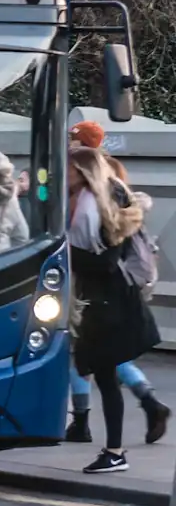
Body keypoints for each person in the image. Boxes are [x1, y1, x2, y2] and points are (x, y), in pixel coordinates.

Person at [63, 120, 170, 444]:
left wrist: (64, 253)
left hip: (104, 285)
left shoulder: (100, 184)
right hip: (106, 283)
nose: (69, 144)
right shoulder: (100, 178)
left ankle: (85, 423)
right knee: (104, 357)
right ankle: (146, 404)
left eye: (73, 139)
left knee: (85, 353)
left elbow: (111, 243)